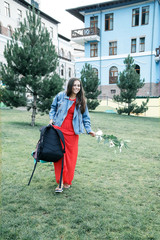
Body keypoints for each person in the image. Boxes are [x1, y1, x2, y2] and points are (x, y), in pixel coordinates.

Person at [49, 78, 95, 192]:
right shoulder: (61, 96)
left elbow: (86, 117)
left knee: (70, 158)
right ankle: (59, 182)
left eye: (78, 85)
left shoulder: (82, 101)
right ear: (70, 86)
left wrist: (89, 130)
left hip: (72, 134)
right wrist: (51, 118)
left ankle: (67, 180)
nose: (76, 87)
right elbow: (53, 107)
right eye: (74, 85)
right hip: (59, 131)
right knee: (59, 157)